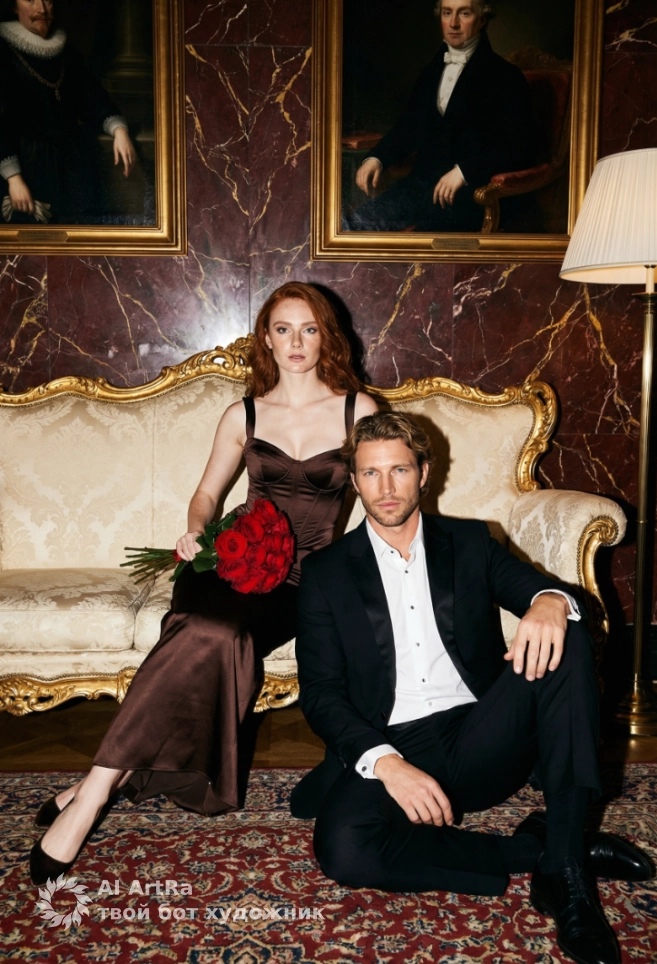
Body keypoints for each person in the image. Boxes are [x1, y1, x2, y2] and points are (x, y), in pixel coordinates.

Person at [29, 281, 378, 886]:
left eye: (309, 329)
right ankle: (93, 799)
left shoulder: (359, 411)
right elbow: (206, 495)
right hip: (230, 557)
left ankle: (93, 784)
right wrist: (195, 532)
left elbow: (384, 495)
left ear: (327, 336)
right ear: (266, 338)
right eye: (283, 329)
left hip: (305, 581)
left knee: (219, 635)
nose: (296, 342)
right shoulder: (243, 413)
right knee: (202, 625)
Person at [292, 412, 653, 964]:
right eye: (370, 473)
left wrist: (549, 601)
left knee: (568, 633)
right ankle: (544, 850)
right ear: (355, 481)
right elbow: (320, 692)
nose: (385, 488)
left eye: (399, 470)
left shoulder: (468, 541)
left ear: (424, 473)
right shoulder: (326, 572)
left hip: (484, 730)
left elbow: (539, 591)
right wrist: (386, 763)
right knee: (343, 848)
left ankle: (571, 879)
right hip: (396, 742)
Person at [343, 0, 535, 233]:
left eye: (464, 13)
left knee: (422, 246)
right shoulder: (430, 72)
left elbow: (521, 148)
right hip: (420, 188)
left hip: (473, 196)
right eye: (447, 13)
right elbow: (407, 128)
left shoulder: (506, 76)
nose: (453, 23)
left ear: (482, 19)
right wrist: (377, 158)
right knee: (353, 225)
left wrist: (465, 172)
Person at [0, 0, 137, 224]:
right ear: (14, 6)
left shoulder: (68, 55)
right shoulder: (3, 55)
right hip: (27, 169)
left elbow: (93, 98)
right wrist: (14, 178)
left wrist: (119, 131)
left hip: (73, 166)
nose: (41, 9)